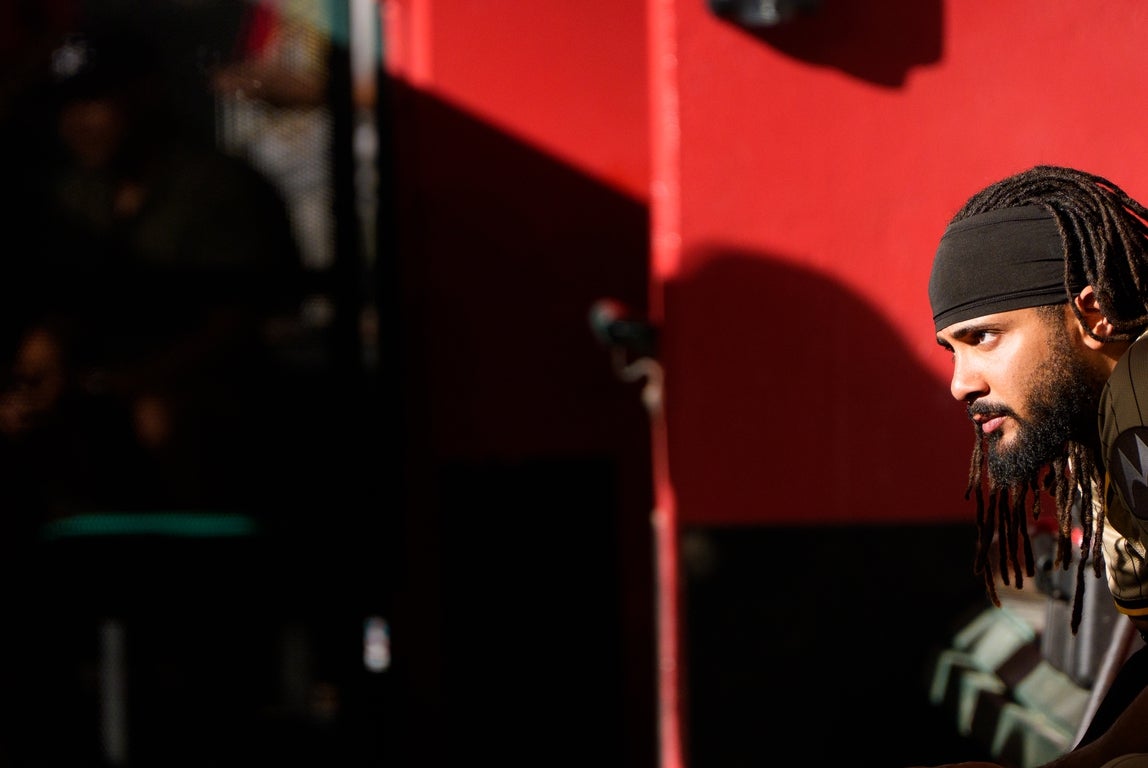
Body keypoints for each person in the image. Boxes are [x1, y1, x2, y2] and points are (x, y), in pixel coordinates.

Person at [919, 164, 1148, 768]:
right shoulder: (1104, 427)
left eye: (984, 337)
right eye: (951, 350)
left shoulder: (1141, 393)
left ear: (1093, 314)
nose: (960, 384)